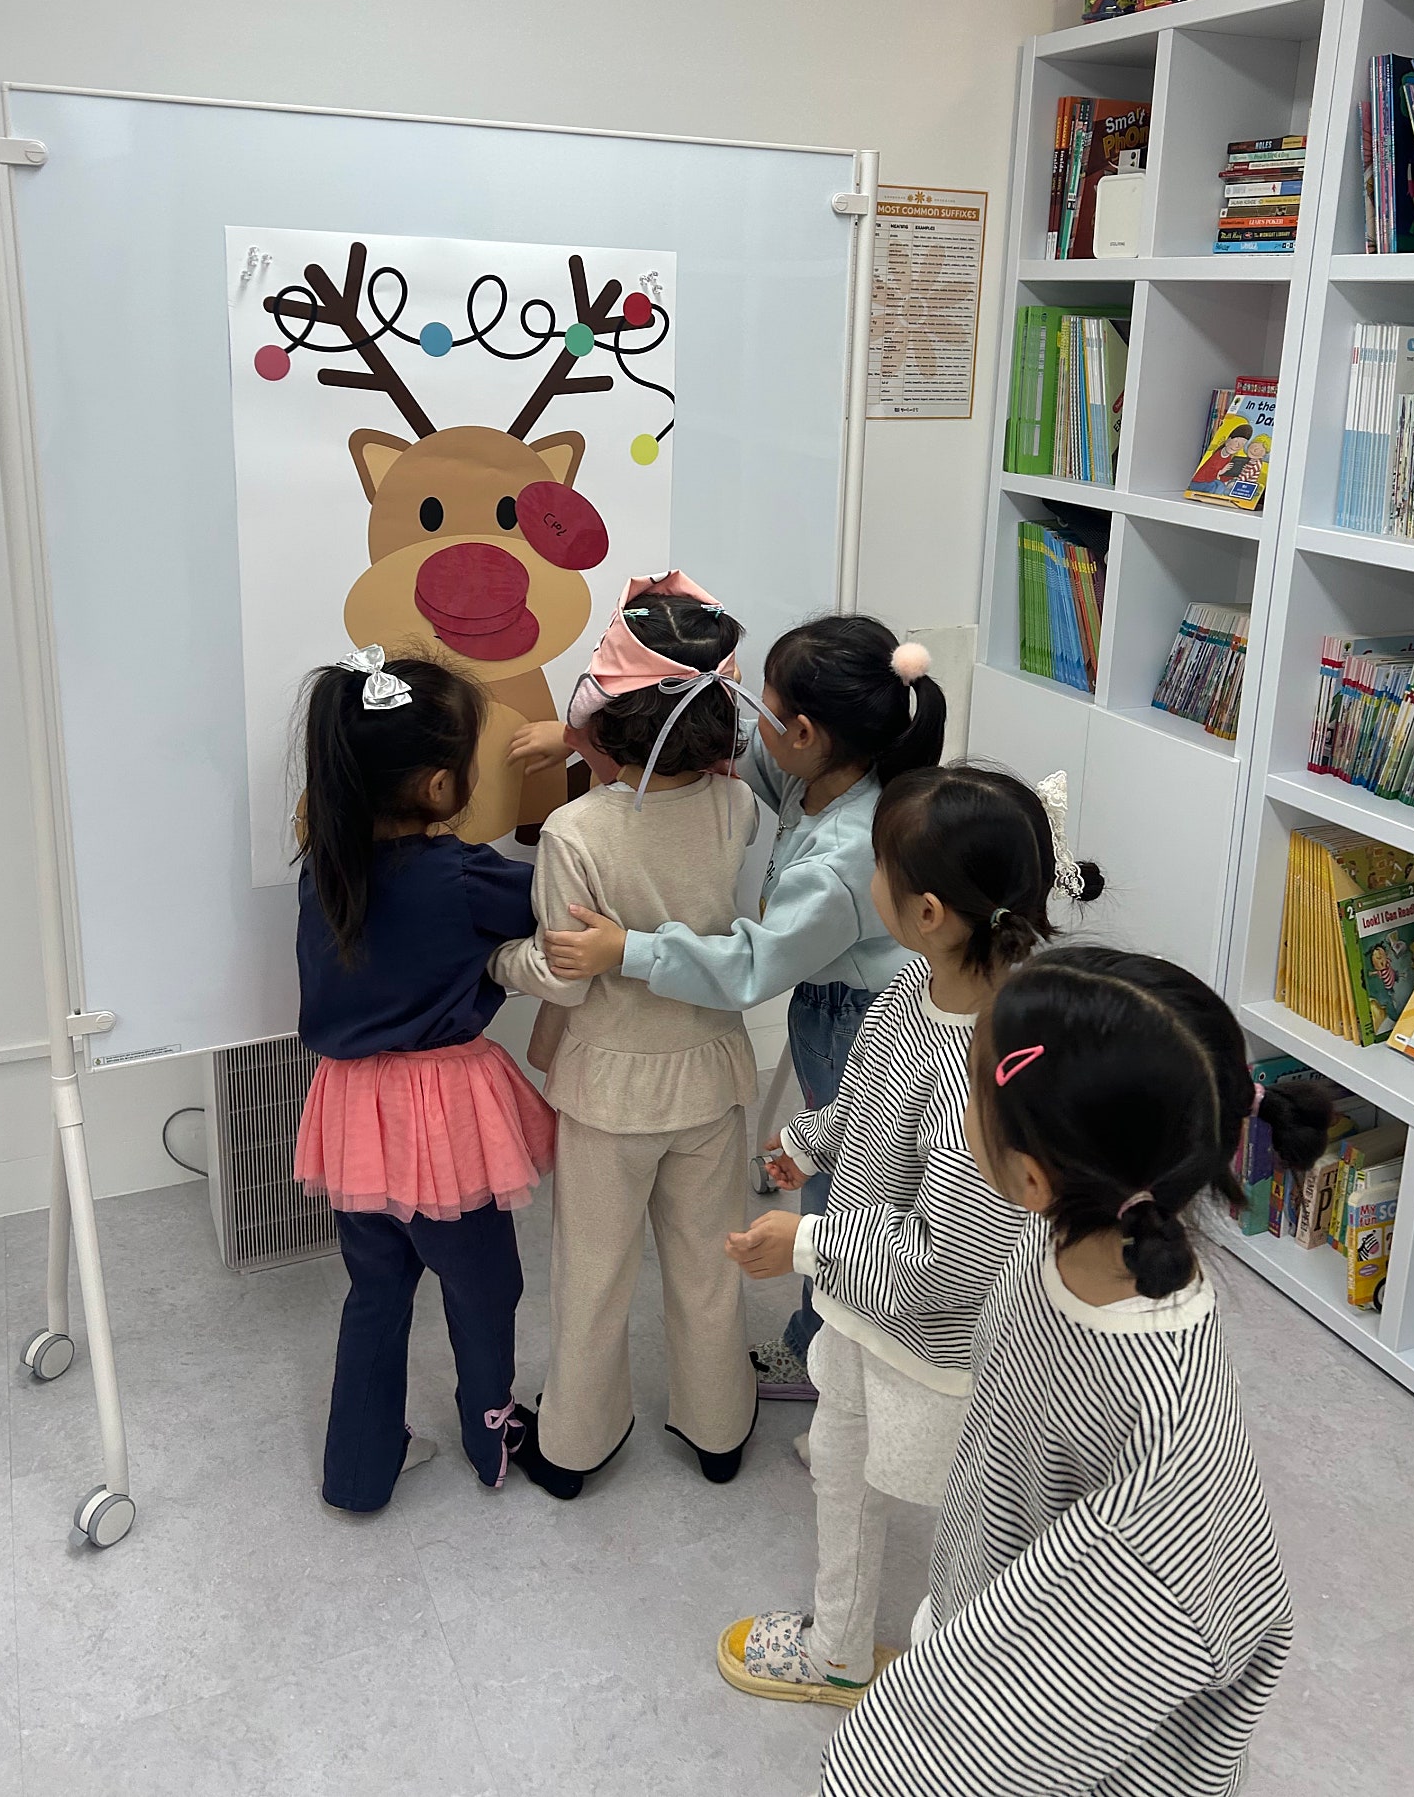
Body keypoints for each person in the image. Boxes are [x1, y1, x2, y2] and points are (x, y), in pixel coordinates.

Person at [813, 946, 1334, 1796]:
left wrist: (895, 1737)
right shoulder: (1060, 1229)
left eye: (970, 1085)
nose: (960, 1098)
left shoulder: (1168, 1457)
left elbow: (1017, 1723)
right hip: (982, 1612)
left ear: (1028, 1173)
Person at [715, 764, 1105, 1705]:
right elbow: (868, 1100)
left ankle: (962, 1690)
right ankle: (839, 1649)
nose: (868, 877)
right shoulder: (907, 992)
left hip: (934, 1348)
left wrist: (804, 1245)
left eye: (878, 864)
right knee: (842, 1470)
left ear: (927, 911)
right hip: (864, 1313)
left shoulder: (991, 1072)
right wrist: (808, 1145)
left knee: (968, 1531)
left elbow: (948, 1263)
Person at [512, 614, 948, 1403]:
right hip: (821, 1013)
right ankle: (795, 1358)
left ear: (806, 733)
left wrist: (627, 949)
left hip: (860, 1023)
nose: (748, 724)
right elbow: (719, 756)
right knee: (812, 1179)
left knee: (845, 1190)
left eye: (763, 710)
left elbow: (750, 966)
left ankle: (829, 1357)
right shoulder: (813, 777)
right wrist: (579, 738)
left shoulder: (842, 854)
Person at [489, 575, 768, 1498]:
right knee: (709, 1264)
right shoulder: (736, 807)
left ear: (605, 716)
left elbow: (562, 969)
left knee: (593, 1274)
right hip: (710, 1076)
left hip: (608, 1088)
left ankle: (572, 1447)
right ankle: (720, 1429)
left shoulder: (574, 831)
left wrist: (500, 963)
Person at [292, 647, 561, 1513]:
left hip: (350, 1110)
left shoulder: (322, 873)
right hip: (442, 1116)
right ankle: (491, 1436)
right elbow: (554, 902)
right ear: (441, 786)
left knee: (375, 1291)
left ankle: (356, 1469)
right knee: (484, 1286)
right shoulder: (461, 875)